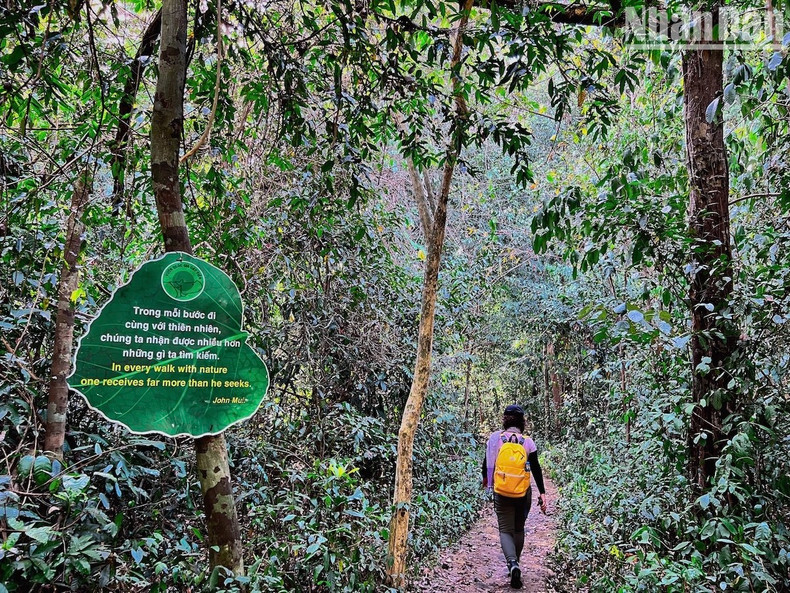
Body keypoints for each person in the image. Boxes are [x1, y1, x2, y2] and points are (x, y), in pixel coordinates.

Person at [482, 404, 547, 589]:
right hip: (522, 492)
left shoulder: (495, 439)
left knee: (505, 530)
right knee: (518, 529)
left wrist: (487, 481)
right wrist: (542, 493)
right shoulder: (528, 442)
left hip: (501, 491)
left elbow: (486, 462)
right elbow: (536, 468)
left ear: (505, 419)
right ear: (522, 422)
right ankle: (516, 562)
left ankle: (512, 563)